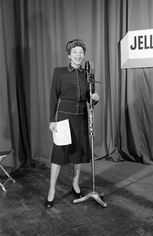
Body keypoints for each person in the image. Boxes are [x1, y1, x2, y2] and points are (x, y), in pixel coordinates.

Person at [45, 39, 99, 208]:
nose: (78, 55)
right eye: (75, 52)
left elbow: (90, 98)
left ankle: (75, 184)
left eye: (81, 52)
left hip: (81, 118)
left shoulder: (88, 74)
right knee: (59, 155)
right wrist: (52, 120)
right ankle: (51, 190)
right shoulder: (59, 72)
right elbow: (53, 96)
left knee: (78, 155)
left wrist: (95, 99)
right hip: (63, 118)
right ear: (69, 55)